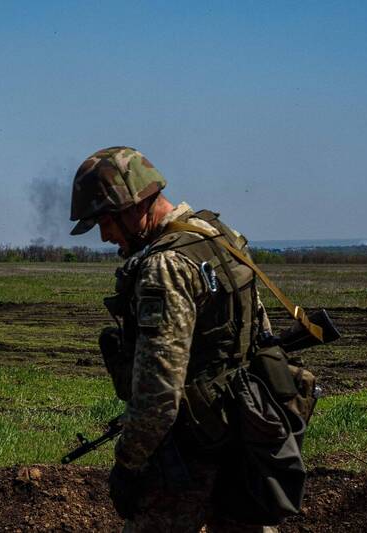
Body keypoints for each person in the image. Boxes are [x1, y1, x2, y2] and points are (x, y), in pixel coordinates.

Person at [69, 146, 280, 532]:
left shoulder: (164, 266)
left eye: (105, 221)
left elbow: (159, 390)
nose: (104, 236)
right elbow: (259, 331)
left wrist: (128, 464)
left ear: (134, 206)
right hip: (246, 430)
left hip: (193, 447)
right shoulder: (219, 235)